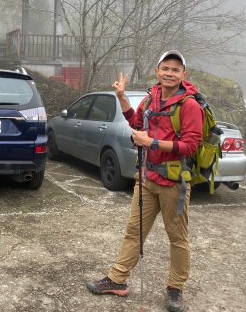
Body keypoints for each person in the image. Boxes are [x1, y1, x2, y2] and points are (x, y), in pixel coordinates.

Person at [86, 50, 204, 312]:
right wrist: (122, 97)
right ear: (157, 71)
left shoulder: (190, 105)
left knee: (177, 238)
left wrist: (152, 142)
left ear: (184, 75)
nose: (169, 73)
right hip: (146, 178)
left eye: (175, 70)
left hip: (174, 182)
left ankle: (175, 289)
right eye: (165, 68)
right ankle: (117, 279)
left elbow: (191, 145)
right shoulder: (152, 99)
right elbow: (137, 122)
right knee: (134, 232)